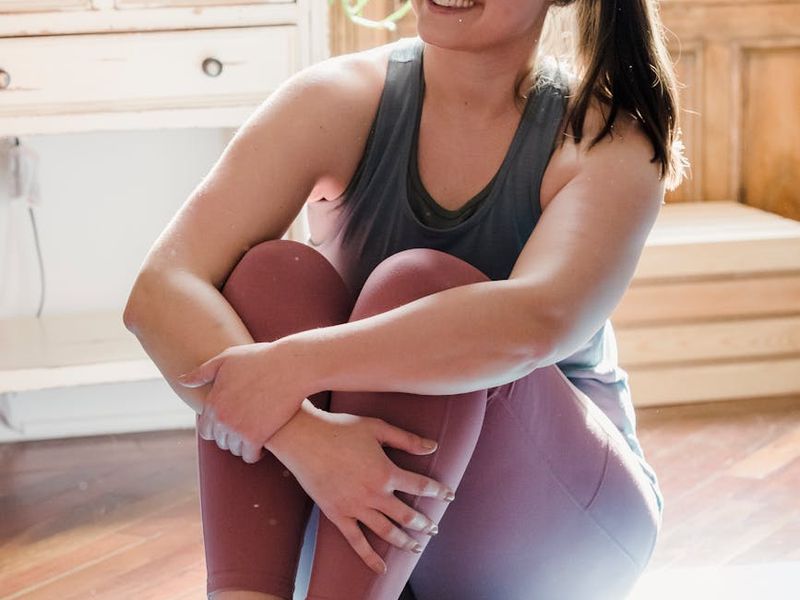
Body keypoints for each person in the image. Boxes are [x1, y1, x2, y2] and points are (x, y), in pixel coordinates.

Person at [124, 0, 688, 598]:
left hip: (565, 527)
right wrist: (303, 436)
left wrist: (297, 365)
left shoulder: (609, 139)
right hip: (351, 492)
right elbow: (160, 292)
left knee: (419, 287)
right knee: (269, 276)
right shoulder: (336, 100)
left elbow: (533, 324)